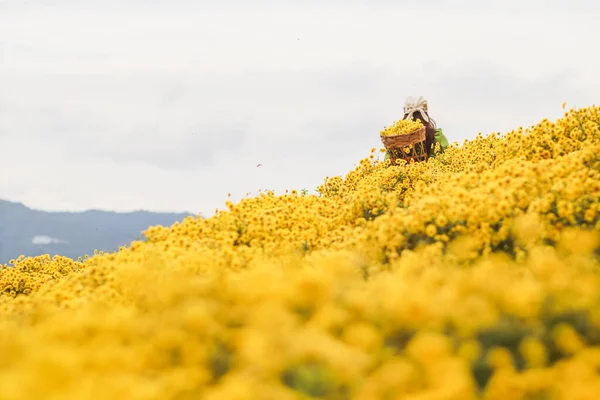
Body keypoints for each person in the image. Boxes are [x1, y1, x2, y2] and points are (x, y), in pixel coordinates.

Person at [384, 96, 449, 162]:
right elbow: (447, 158)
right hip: (434, 171)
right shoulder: (437, 137)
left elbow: (387, 163)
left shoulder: (395, 140)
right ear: (425, 113)